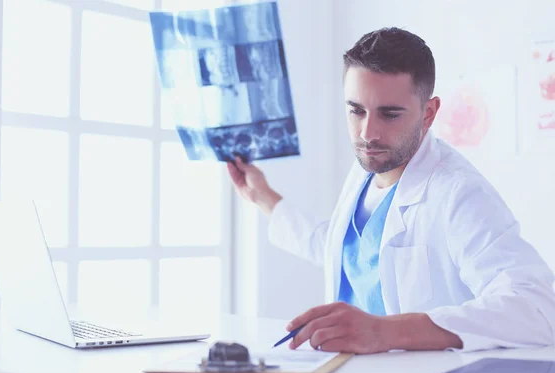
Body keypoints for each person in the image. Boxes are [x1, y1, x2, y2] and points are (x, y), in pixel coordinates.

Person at [227, 27, 555, 353]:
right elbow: (345, 251)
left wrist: (385, 332)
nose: (368, 133)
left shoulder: (459, 194)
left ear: (428, 113)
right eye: (356, 110)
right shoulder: (367, 170)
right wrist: (261, 195)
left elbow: (538, 309)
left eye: (390, 114)